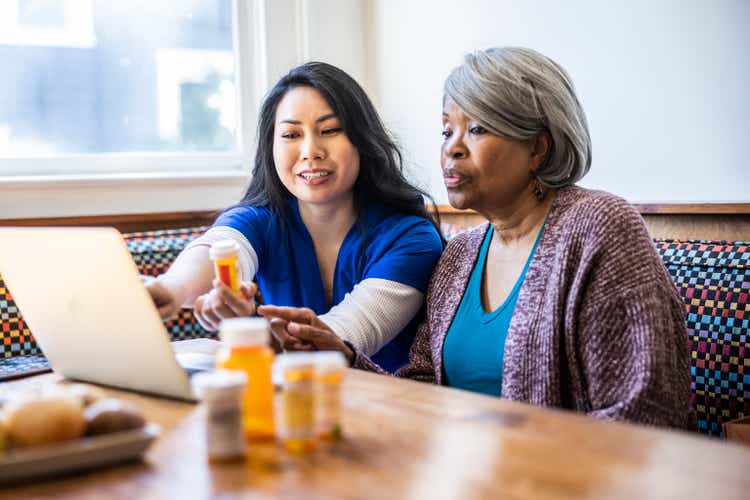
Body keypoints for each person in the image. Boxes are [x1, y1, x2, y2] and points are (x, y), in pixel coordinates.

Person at [259, 47, 692, 428]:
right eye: (447, 131)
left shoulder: (599, 227)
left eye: (478, 129)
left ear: (538, 147)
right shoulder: (460, 254)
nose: (453, 148)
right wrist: (343, 356)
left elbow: (647, 412)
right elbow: (424, 391)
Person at [146, 62, 443, 372]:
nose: (310, 151)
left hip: (389, 404)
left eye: (329, 131)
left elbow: (340, 338)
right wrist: (168, 291)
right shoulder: (259, 220)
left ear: (362, 140)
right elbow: (219, 249)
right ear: (271, 147)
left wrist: (247, 328)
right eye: (290, 134)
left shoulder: (412, 239)